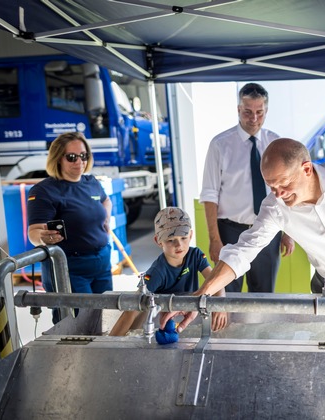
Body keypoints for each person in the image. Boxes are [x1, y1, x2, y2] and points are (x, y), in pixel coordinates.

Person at [163, 138, 325, 332]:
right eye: (271, 186)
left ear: (306, 169)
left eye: (283, 184)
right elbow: (242, 251)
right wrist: (200, 295)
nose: (278, 194)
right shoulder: (274, 207)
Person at [200, 83, 294, 294]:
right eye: (247, 112)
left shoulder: (276, 143)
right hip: (230, 232)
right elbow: (209, 194)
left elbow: (287, 191)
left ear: (266, 111)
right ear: (238, 110)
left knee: (264, 294)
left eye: (259, 112)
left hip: (268, 231)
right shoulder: (220, 145)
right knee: (227, 293)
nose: (254, 118)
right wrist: (215, 239)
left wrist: (289, 232)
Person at [27, 132, 112, 324]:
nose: (79, 161)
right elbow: (34, 232)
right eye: (72, 157)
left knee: (104, 319)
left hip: (102, 263)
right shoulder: (44, 191)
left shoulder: (91, 183)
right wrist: (43, 238)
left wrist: (105, 218)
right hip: (70, 267)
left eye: (83, 156)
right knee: (78, 324)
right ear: (58, 158)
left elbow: (106, 201)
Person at [109, 207, 227, 336]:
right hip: (165, 323)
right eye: (171, 240)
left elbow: (215, 280)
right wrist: (112, 342)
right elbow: (131, 310)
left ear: (191, 235)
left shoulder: (195, 255)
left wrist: (220, 306)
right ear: (158, 241)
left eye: (183, 237)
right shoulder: (157, 272)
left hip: (189, 315)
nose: (179, 245)